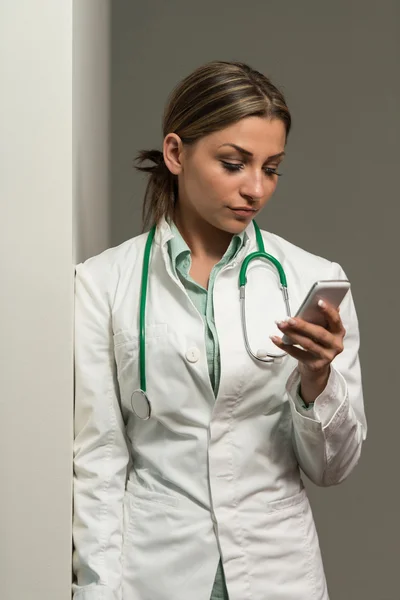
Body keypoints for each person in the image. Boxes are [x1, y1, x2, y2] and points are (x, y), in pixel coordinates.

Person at [72, 60, 367, 600]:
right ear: (176, 153)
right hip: (154, 572)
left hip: (278, 573)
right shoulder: (101, 284)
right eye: (234, 164)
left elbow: (333, 468)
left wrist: (317, 381)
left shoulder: (312, 278)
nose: (255, 188)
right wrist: (95, 591)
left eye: (271, 168)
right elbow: (99, 463)